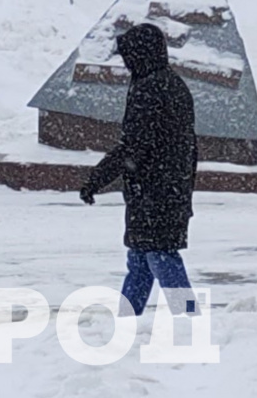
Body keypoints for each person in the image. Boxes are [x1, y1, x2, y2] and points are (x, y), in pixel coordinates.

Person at [79, 24, 199, 316]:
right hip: (165, 189)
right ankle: (127, 318)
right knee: (142, 258)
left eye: (128, 57)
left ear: (140, 55)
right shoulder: (171, 84)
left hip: (155, 192)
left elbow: (133, 146)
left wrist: (97, 179)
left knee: (159, 255)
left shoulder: (151, 89)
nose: (125, 63)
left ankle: (188, 316)